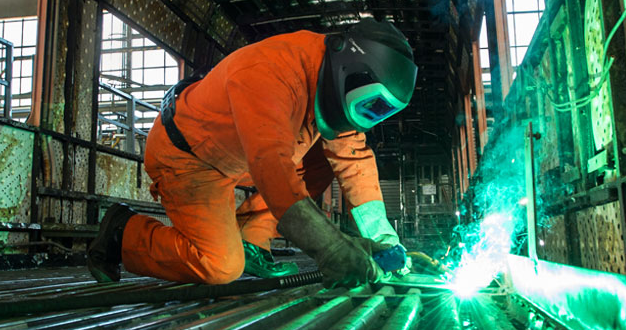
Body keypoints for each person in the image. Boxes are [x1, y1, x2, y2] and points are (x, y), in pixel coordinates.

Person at [87, 18, 417, 287]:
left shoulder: (333, 82)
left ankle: (252, 240)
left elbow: (354, 162)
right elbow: (274, 172)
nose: (369, 115)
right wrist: (331, 248)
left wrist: (385, 240)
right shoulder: (272, 72)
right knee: (220, 266)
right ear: (347, 64)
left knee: (328, 155)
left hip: (238, 154)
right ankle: (122, 232)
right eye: (370, 103)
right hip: (190, 158)